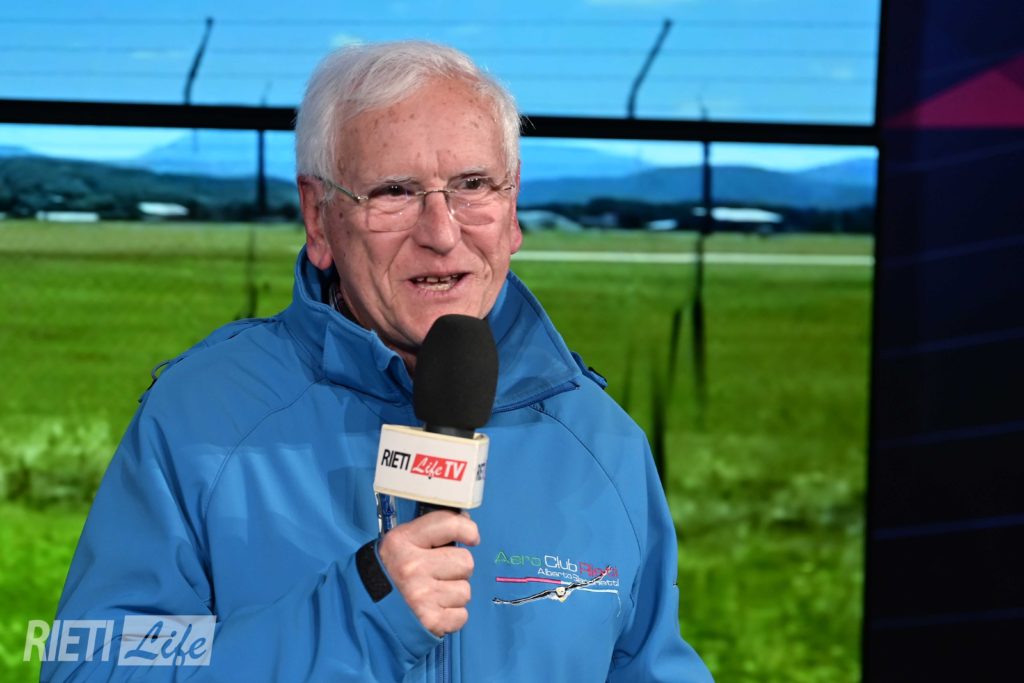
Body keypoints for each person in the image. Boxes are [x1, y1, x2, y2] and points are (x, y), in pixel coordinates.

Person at [43, 41, 713, 682]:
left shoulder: (603, 442)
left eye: (473, 185)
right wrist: (352, 615)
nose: (441, 233)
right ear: (318, 218)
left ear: (512, 211)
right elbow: (96, 663)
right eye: (394, 191)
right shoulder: (202, 418)